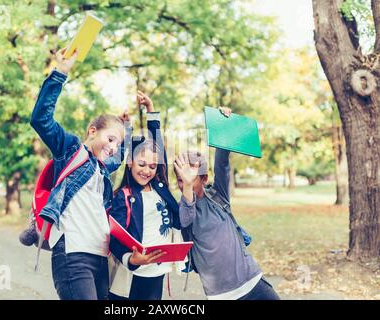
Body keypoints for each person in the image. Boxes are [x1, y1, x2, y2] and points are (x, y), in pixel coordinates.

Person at [28, 47, 131, 300]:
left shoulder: (102, 168)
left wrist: (126, 130)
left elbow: (119, 158)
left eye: (117, 143)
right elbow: (41, 119)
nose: (113, 146)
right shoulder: (71, 150)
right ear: (92, 130)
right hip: (73, 254)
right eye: (110, 138)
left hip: (99, 255)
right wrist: (60, 72)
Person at [174, 106, 280, 300]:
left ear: (204, 178)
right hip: (221, 295)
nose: (184, 182)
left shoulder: (218, 196)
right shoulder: (183, 208)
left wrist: (224, 124)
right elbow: (185, 219)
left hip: (252, 280)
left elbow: (222, 162)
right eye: (180, 178)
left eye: (190, 177)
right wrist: (188, 186)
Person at [108, 91, 181, 300]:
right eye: (141, 164)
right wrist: (132, 259)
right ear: (130, 162)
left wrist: (151, 112)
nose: (147, 170)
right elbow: (115, 237)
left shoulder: (160, 186)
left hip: (157, 272)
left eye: (151, 166)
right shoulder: (123, 196)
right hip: (132, 274)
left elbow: (160, 152)